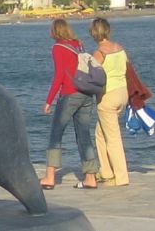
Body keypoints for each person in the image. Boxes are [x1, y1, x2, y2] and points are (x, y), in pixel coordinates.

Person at [39, 18, 99, 190]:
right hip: (86, 93)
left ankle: (50, 177)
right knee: (84, 136)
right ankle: (90, 177)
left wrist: (49, 100)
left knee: (56, 134)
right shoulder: (78, 44)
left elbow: (59, 75)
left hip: (70, 94)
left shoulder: (58, 48)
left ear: (55, 31)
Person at [90, 17, 130, 186]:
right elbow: (127, 67)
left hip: (108, 96)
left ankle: (121, 177)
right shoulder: (119, 48)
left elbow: (91, 75)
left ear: (93, 33)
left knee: (113, 137)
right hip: (123, 93)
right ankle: (106, 171)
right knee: (100, 133)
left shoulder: (99, 54)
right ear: (108, 30)